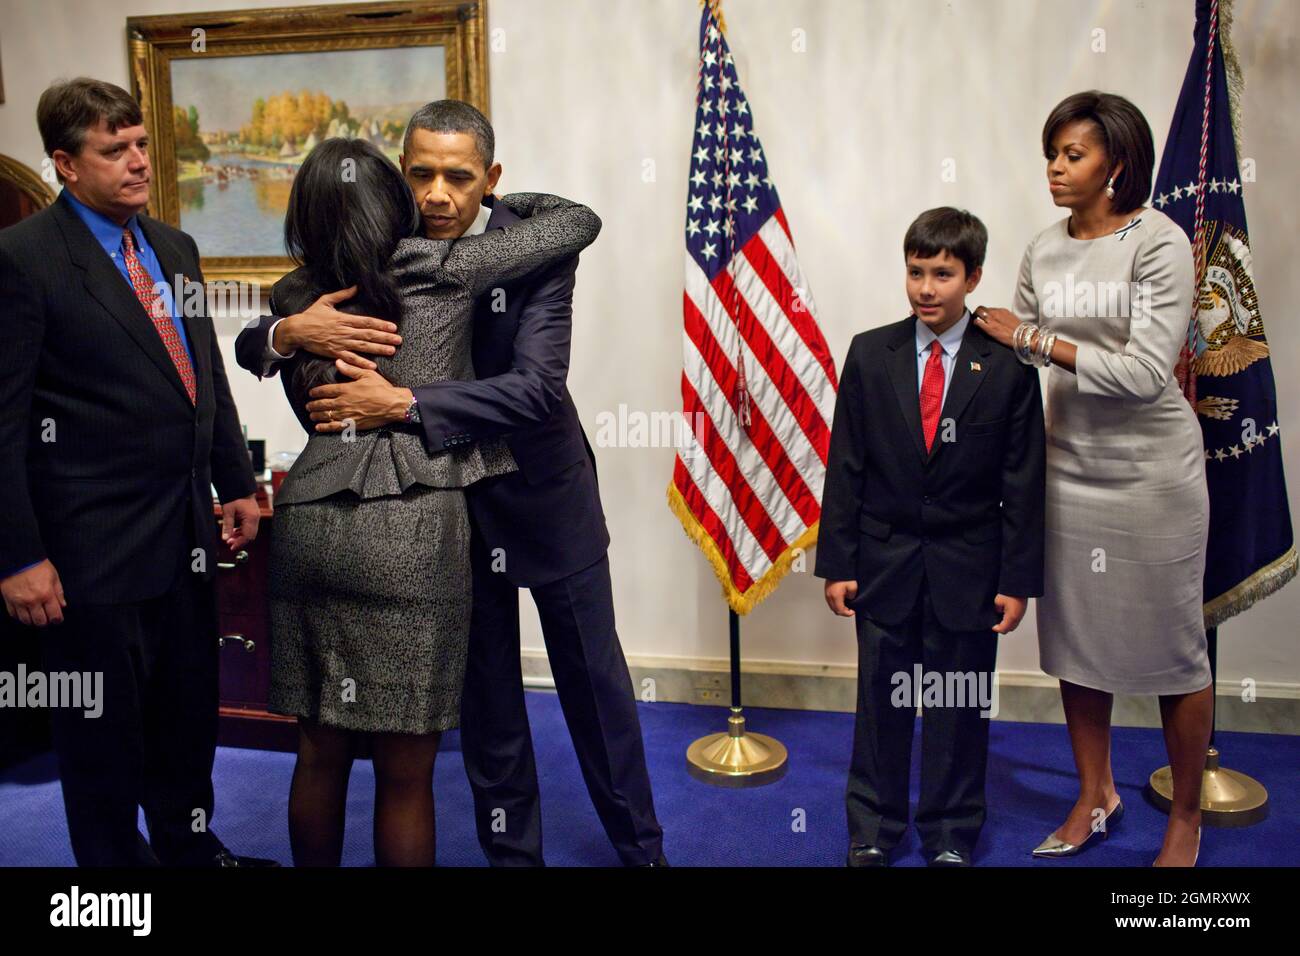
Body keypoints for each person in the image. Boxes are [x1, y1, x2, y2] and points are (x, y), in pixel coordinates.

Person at [236, 100, 666, 867]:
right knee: (490, 706)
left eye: (458, 178)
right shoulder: (378, 248)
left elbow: (535, 389)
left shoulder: (523, 251)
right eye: (422, 174)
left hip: (541, 498)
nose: (437, 194)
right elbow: (270, 321)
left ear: (490, 180)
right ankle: (513, 858)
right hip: (437, 521)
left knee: (594, 693)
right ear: (402, 176)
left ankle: (643, 851)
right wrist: (284, 332)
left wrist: (401, 402)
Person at [0, 78, 272, 867]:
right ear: (63, 164)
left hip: (183, 538)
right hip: (86, 557)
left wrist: (235, 484)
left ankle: (190, 853)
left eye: (141, 144)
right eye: (112, 150)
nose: (137, 162)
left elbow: (204, 377)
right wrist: (16, 556)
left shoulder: (174, 247)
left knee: (186, 721)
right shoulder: (21, 260)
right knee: (103, 739)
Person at [974, 90, 1212, 867]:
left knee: (1177, 652)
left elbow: (1144, 372)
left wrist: (1036, 338)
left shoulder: (1159, 242)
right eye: (1052, 153)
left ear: (1115, 162)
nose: (1054, 168)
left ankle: (1185, 815)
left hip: (1151, 478)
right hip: (1068, 471)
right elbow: (1014, 353)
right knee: (1076, 645)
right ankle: (1094, 792)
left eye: (1072, 155)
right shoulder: (1044, 248)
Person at [816, 207, 1045, 867]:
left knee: (956, 708)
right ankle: (874, 828)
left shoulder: (1005, 365)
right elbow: (848, 464)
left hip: (969, 568)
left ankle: (950, 832)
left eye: (942, 274)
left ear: (971, 276)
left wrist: (1015, 581)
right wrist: (839, 563)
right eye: (916, 272)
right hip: (884, 563)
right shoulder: (870, 352)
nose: (925, 288)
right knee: (881, 704)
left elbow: (1022, 482)